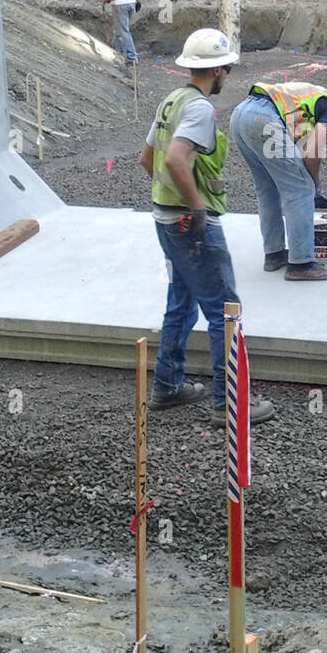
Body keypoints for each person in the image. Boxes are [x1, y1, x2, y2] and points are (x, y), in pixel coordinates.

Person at [139, 27, 275, 421]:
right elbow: (175, 160)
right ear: (218, 71)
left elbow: (148, 160)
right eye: (227, 69)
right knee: (224, 311)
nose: (227, 75)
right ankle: (230, 405)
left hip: (165, 219)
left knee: (181, 304)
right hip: (190, 225)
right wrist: (197, 207)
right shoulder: (200, 109)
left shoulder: (172, 100)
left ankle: (166, 386)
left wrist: (176, 199)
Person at [229, 81, 327, 281]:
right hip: (264, 119)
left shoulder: (318, 97)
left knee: (268, 189)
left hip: (241, 114)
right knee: (300, 188)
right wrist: (314, 187)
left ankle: (274, 254)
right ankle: (301, 264)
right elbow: (311, 153)